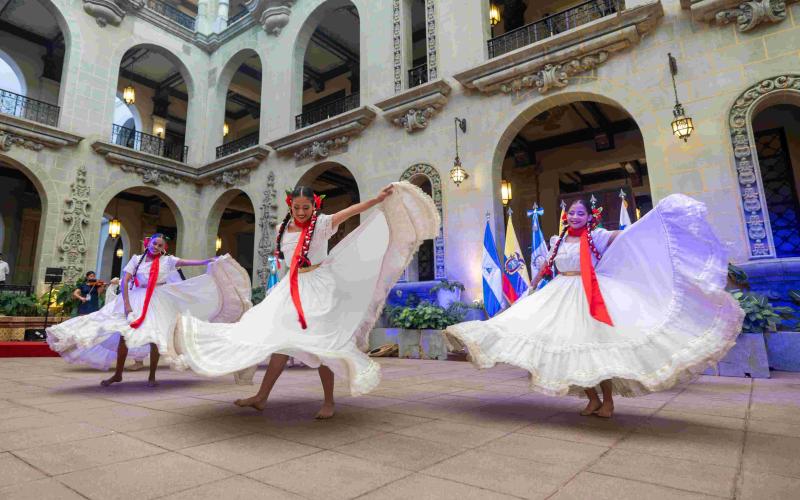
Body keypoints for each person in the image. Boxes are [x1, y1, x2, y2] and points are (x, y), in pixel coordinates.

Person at [446, 195, 744, 418]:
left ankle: (609, 401)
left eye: (580, 213)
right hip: (560, 296)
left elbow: (630, 237)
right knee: (572, 349)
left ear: (589, 216)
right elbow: (546, 267)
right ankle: (592, 399)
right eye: (571, 213)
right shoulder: (557, 240)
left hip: (592, 295)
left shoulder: (598, 236)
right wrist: (532, 286)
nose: (574, 217)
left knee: (597, 348)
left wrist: (658, 218)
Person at [175, 181, 439, 419]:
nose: (302, 212)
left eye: (307, 208)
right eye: (298, 208)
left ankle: (329, 401)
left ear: (315, 206)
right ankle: (261, 397)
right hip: (290, 288)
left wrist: (376, 200)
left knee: (322, 343)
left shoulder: (323, 224)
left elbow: (352, 212)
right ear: (291, 206)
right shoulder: (281, 230)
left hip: (319, 286)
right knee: (278, 339)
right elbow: (282, 262)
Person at [46, 234, 252, 387]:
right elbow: (125, 282)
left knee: (155, 336)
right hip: (136, 298)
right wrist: (126, 305)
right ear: (149, 243)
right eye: (154, 243)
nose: (157, 247)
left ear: (164, 248)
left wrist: (210, 260)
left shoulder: (168, 261)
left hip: (158, 300)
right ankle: (118, 373)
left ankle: (152, 375)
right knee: (124, 335)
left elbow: (191, 262)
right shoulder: (136, 259)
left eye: (160, 245)